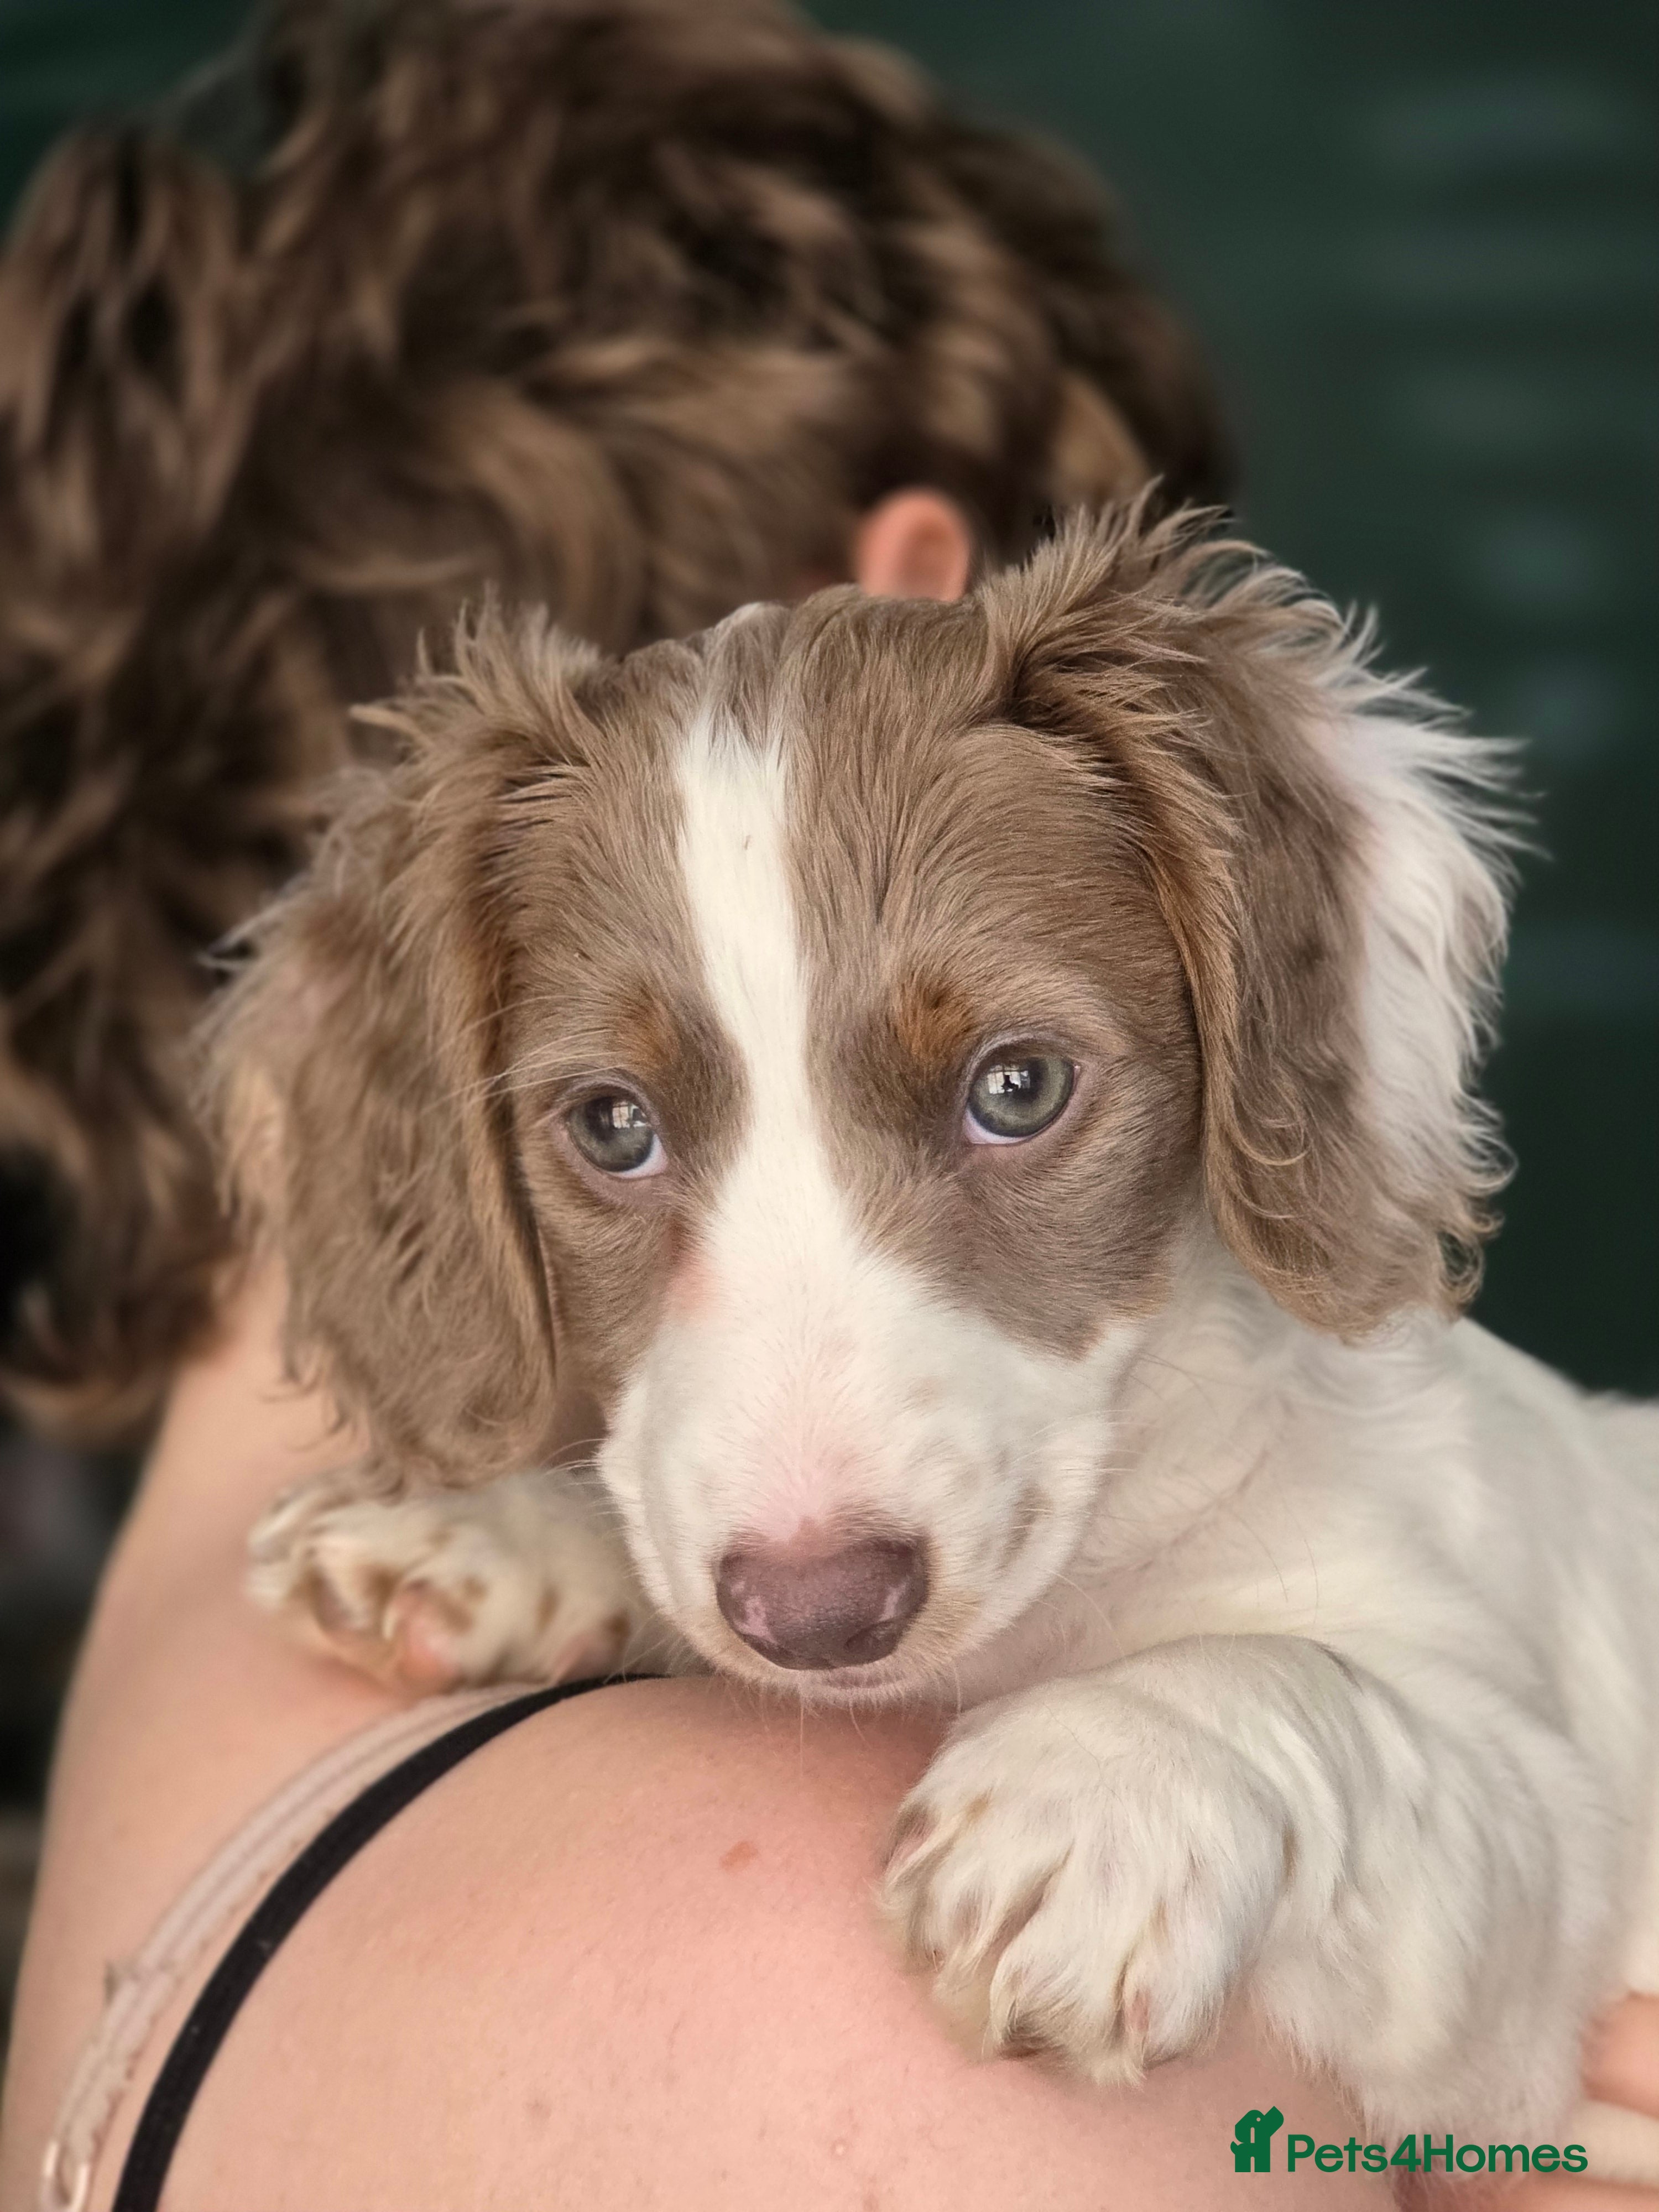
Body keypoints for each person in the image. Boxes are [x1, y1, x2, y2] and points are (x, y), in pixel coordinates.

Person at [2, 4, 1653, 2204]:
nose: (792, 1555)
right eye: (613, 1133)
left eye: (1012, 1087)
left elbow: (1487, 1820)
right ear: (911, 591)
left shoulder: (180, 1789)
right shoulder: (809, 1977)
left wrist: (1237, 1755)